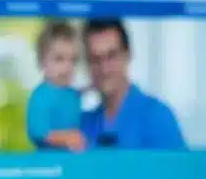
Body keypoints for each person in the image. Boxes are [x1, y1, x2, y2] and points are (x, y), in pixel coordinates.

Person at [80, 18, 187, 150]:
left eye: (111, 56)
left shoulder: (157, 117)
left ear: (128, 55)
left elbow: (178, 170)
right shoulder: (83, 125)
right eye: (95, 59)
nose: (104, 69)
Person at [25, 21, 85, 151]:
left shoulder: (72, 93)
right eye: (59, 59)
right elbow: (37, 131)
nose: (67, 67)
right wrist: (65, 138)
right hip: (48, 163)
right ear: (42, 61)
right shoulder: (41, 95)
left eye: (73, 60)